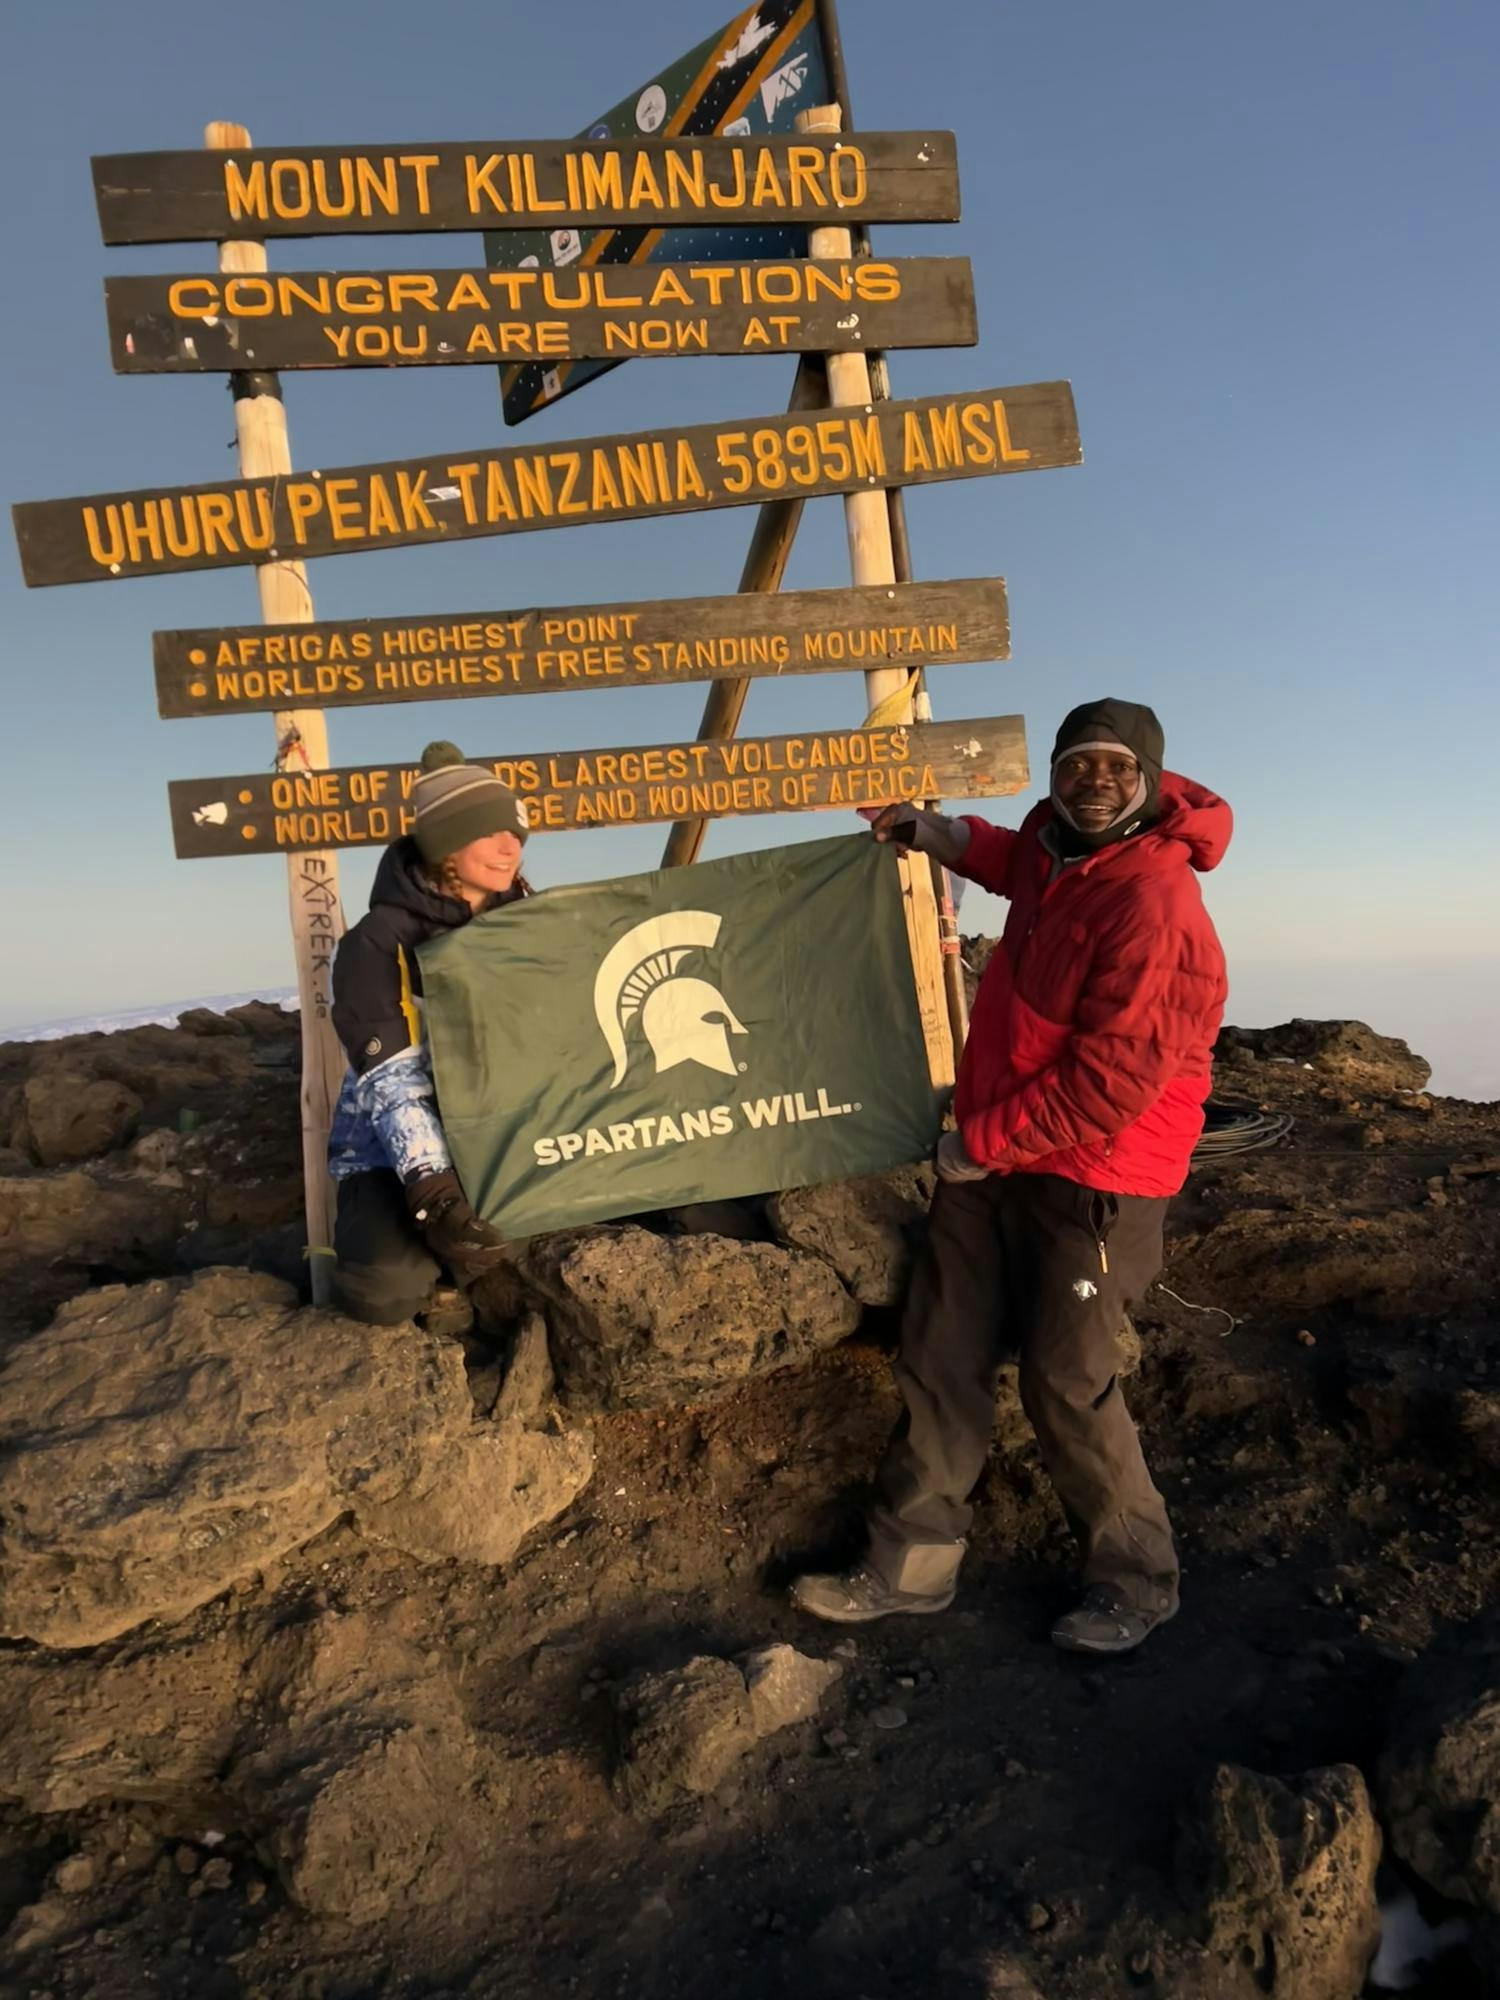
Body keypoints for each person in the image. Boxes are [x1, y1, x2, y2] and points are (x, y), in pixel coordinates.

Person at [791, 700, 1231, 1656]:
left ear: (1150, 781)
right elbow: (1008, 859)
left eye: (1116, 766)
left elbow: (1113, 1081)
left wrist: (979, 1146)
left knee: (1067, 1378)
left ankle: (1136, 1579)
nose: (1094, 780)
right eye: (1078, 765)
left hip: (1094, 1174)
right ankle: (909, 1567)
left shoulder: (1154, 903)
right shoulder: (1060, 851)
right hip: (998, 1152)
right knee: (940, 1350)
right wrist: (929, 831)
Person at [327, 740, 530, 1326]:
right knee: (380, 1291)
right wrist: (434, 1193)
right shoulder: (376, 940)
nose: (509, 845)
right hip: (393, 1154)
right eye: (486, 831)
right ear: (444, 845)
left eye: (515, 832)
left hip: (505, 1130)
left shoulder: (527, 921)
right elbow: (392, 1078)